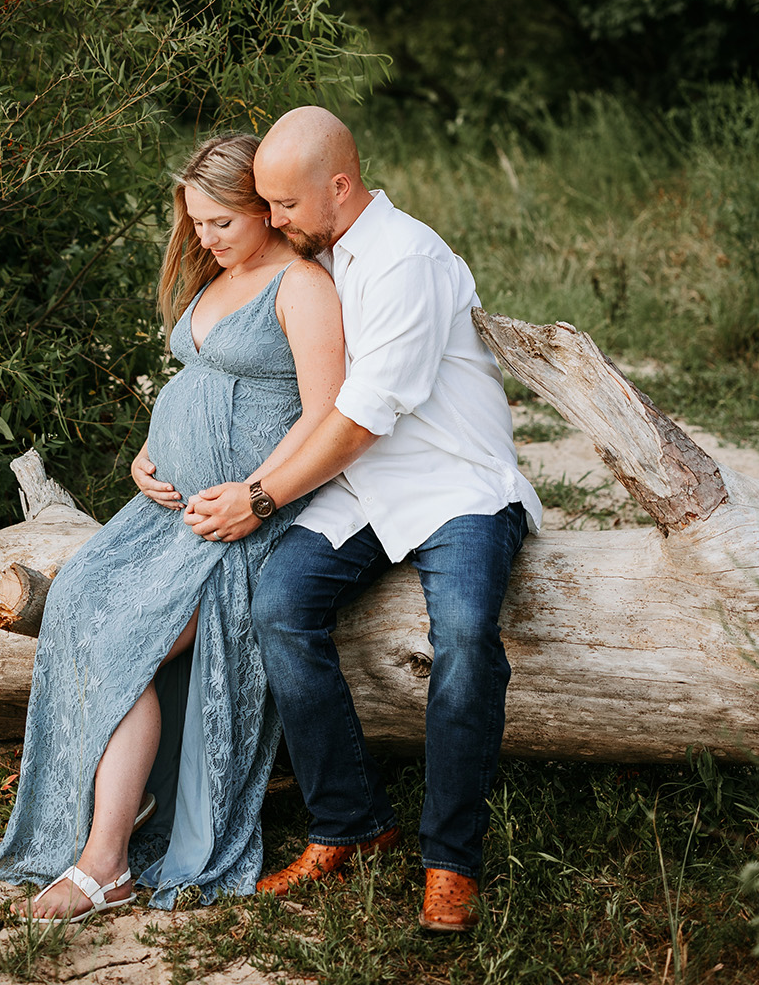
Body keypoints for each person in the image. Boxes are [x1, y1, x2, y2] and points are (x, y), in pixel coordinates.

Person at [182, 106, 542, 934]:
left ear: (339, 186)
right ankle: (351, 821)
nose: (272, 221)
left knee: (463, 640)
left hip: (457, 488)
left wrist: (261, 497)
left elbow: (360, 419)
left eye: (284, 206)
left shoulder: (407, 258)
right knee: (279, 605)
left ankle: (451, 861)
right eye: (263, 206)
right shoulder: (324, 251)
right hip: (364, 489)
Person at [0, 132, 344, 920]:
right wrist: (152, 448)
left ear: (267, 212)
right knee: (73, 603)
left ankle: (104, 863)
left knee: (123, 644)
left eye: (222, 222)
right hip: (164, 511)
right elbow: (198, 379)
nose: (204, 238)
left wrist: (255, 493)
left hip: (238, 521)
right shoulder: (219, 276)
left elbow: (324, 414)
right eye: (196, 223)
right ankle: (118, 803)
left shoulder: (301, 284)